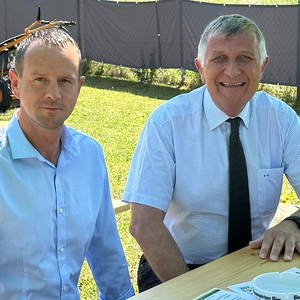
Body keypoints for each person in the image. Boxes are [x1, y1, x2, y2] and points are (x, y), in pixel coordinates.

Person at [122, 14, 300, 292]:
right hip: (178, 267)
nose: (232, 71)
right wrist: (200, 294)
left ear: (262, 66)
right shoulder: (168, 122)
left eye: (245, 58)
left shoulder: (282, 120)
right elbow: (143, 223)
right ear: (200, 68)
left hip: (253, 264)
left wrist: (293, 223)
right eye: (219, 58)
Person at [0, 27, 134, 299]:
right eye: (40, 79)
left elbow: (106, 251)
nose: (54, 93)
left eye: (65, 81)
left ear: (79, 86)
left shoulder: (89, 155)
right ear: (14, 83)